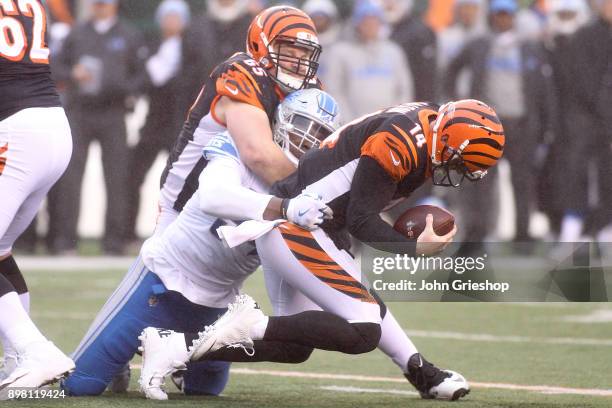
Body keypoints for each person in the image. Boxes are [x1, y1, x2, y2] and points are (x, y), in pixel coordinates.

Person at [139, 99, 506, 401]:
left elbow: (356, 209)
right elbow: (363, 220)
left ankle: (176, 348)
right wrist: (414, 248)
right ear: (447, 141)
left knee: (294, 344)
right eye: (460, 163)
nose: (457, 172)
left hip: (313, 224)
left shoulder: (426, 124)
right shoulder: (401, 142)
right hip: (299, 223)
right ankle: (251, 324)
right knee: (362, 330)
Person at [62, 5, 326, 396]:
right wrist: (317, 192)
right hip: (189, 204)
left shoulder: (309, 92)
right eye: (290, 49)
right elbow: (258, 155)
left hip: (241, 216)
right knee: (161, 281)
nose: (299, 60)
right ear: (262, 44)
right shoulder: (243, 73)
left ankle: (182, 351)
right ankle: (122, 353)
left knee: (207, 382)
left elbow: (315, 154)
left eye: (306, 52)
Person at [0, 0, 74, 398]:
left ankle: (34, 351)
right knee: (1, 249)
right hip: (52, 126)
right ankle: (17, 361)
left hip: (16, 131)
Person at [51, 0, 149, 254]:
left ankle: (114, 242)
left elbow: (142, 75)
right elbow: (56, 66)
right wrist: (74, 73)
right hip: (81, 112)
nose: (100, 6)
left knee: (116, 178)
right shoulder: (77, 33)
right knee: (71, 177)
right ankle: (66, 240)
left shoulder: (129, 35)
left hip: (113, 112)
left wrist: (121, 87)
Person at [125, 0, 191, 243]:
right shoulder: (151, 46)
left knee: (181, 182)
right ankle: (127, 234)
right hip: (154, 122)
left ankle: (179, 236)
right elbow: (143, 78)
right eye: (167, 17)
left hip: (181, 124)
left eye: (176, 17)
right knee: (132, 176)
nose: (171, 22)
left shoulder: (192, 47)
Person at [324, 0, 413, 121]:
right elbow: (335, 90)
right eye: (366, 21)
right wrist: (348, 121)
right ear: (357, 23)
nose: (370, 25)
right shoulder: (341, 52)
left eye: (374, 20)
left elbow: (404, 88)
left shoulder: (393, 51)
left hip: (388, 124)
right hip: (353, 124)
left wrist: (398, 116)